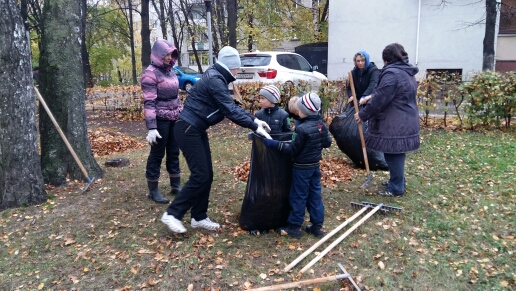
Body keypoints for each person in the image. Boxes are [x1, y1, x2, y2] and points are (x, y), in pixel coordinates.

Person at [161, 46, 271, 233]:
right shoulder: (215, 80)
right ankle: (172, 213)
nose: (238, 71)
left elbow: (232, 108)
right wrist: (254, 126)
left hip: (195, 129)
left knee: (207, 175)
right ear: (230, 66)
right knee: (200, 175)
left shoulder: (217, 77)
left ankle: (199, 216)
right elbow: (229, 110)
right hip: (188, 129)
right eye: (237, 67)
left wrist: (255, 120)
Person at [354, 43, 420, 197]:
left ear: (386, 59)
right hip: (404, 117)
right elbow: (391, 93)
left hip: (396, 121)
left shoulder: (392, 74)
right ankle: (397, 180)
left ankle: (396, 187)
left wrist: (363, 115)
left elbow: (381, 99)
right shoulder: (405, 71)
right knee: (396, 152)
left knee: (393, 153)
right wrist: (372, 96)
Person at [263, 92, 332, 238]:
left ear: (305, 111)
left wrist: (275, 144)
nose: (297, 112)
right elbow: (327, 143)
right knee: (315, 195)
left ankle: (294, 227)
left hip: (301, 168)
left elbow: (292, 149)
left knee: (298, 196)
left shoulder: (301, 129)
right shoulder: (321, 125)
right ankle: (317, 226)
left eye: (299, 109)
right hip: (315, 166)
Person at [141, 39, 183, 204]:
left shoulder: (171, 71)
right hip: (160, 120)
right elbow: (149, 102)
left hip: (175, 118)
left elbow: (176, 96)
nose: (169, 57)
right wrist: (152, 127)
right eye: (166, 54)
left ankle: (176, 186)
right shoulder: (150, 73)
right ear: (158, 55)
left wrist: (181, 114)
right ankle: (153, 190)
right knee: (157, 154)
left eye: (171, 54)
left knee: (174, 151)